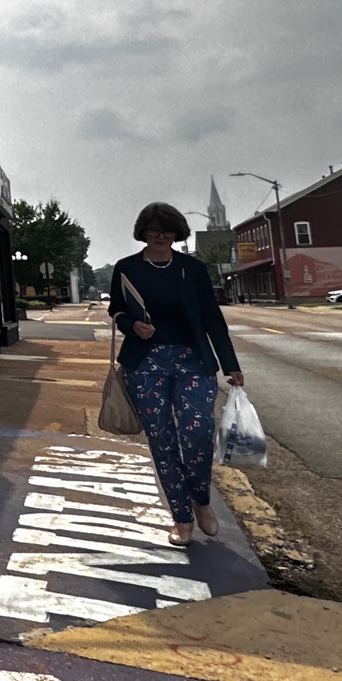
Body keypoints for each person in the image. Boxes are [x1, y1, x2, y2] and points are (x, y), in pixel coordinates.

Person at [109, 203, 245, 547]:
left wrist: (230, 364)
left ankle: (200, 498)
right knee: (162, 441)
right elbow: (117, 310)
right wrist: (131, 325)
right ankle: (181, 518)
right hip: (145, 364)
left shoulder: (192, 269)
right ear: (144, 231)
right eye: (154, 229)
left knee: (198, 433)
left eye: (168, 229)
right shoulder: (127, 268)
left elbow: (212, 317)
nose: (161, 235)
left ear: (177, 233)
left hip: (193, 361)